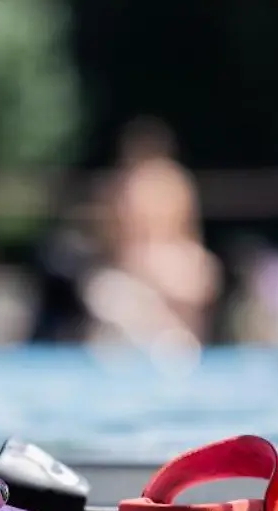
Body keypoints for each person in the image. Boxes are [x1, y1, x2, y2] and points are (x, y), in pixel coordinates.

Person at [83, 117, 221, 348]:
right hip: (132, 278)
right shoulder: (123, 188)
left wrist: (174, 271)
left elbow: (191, 243)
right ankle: (170, 339)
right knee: (106, 293)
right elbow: (120, 253)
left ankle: (176, 340)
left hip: (170, 270)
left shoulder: (175, 184)